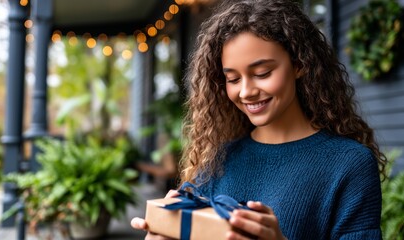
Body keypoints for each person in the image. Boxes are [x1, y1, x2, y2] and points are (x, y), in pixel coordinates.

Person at [131, 0, 387, 239]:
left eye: (262, 73)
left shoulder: (348, 163)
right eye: (232, 79)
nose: (246, 91)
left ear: (299, 64)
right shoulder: (220, 159)